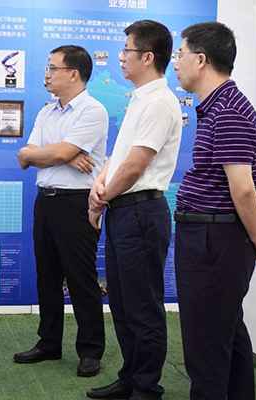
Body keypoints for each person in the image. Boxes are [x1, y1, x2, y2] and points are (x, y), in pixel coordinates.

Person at [172, 22, 256, 399]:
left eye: (180, 55)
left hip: (216, 239)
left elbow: (243, 188)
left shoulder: (228, 110)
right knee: (226, 334)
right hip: (212, 236)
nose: (176, 64)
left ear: (201, 60)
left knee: (206, 348)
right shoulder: (218, 107)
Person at [87, 20, 182, 400]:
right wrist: (101, 185)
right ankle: (129, 379)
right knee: (124, 305)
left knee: (143, 308)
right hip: (123, 210)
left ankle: (146, 388)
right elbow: (118, 157)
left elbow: (136, 165)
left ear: (147, 57)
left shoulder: (159, 102)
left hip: (141, 212)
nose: (121, 57)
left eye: (127, 50)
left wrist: (102, 197)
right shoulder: (139, 98)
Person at [15, 45, 108, 377]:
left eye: (53, 68)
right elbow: (24, 156)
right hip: (46, 201)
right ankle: (49, 343)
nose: (47, 74)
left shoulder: (93, 111)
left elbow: (50, 153)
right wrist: (65, 155)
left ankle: (90, 350)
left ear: (74, 74)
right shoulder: (46, 113)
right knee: (47, 276)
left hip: (77, 204)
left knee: (81, 278)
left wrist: (58, 153)